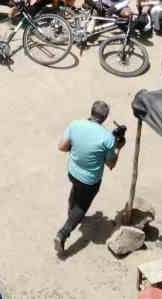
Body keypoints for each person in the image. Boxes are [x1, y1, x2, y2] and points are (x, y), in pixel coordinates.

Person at [55, 100, 124, 255]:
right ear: (105, 118)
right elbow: (111, 164)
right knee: (82, 206)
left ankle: (71, 214)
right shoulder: (108, 139)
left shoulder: (75, 125)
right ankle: (63, 233)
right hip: (90, 180)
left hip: (72, 172)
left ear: (91, 112)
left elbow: (61, 146)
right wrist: (118, 148)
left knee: (75, 190)